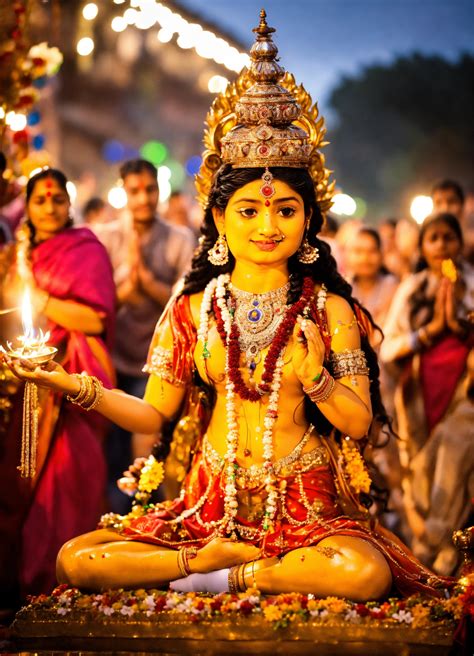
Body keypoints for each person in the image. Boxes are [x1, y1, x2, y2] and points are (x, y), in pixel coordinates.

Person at [4, 13, 450, 600]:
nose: (268, 226)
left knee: (363, 571)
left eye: (286, 210)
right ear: (218, 218)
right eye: (249, 210)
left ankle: (223, 576)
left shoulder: (328, 310)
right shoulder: (194, 308)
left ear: (310, 221)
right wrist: (70, 383)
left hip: (305, 511)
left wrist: (316, 379)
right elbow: (150, 414)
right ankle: (205, 561)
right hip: (209, 505)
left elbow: (361, 423)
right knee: (77, 560)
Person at [0, 168, 116, 605]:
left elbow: (96, 320)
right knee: (19, 486)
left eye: (57, 199)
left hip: (70, 388)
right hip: (20, 391)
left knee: (68, 481)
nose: (49, 207)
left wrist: (40, 298)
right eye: (40, 199)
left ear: (69, 205)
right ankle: (18, 592)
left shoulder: (85, 250)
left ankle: (63, 588)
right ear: (26, 207)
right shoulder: (13, 256)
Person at [380, 212, 473, 575]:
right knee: (420, 470)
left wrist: (461, 327)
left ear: (460, 242)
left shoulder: (472, 282)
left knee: (454, 465)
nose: (441, 245)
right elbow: (390, 348)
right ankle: (428, 562)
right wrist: (431, 330)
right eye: (432, 238)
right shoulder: (412, 287)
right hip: (419, 394)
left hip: (465, 394)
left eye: (448, 237)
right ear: (421, 246)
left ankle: (441, 555)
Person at [106, 159, 196, 513]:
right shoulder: (106, 237)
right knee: (112, 448)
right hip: (112, 359)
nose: (144, 199)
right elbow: (99, 304)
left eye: (150, 190)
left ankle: (146, 519)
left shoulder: (179, 238)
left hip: (159, 365)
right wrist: (126, 290)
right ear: (123, 193)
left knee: (148, 450)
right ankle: (114, 520)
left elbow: (182, 304)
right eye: (135, 191)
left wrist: (147, 284)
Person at [347, 227, 399, 335]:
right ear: (348, 254)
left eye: (372, 251)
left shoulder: (391, 285)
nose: (365, 258)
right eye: (358, 251)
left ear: (381, 254)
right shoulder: (344, 286)